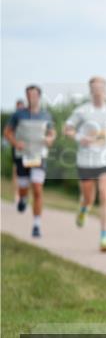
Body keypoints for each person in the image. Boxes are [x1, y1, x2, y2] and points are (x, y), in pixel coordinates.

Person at [63, 76, 106, 253]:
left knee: (105, 194)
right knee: (89, 197)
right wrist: (79, 138)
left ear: (105, 90)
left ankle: (104, 237)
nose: (98, 92)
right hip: (86, 160)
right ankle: (84, 208)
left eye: (101, 88)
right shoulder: (82, 111)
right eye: (95, 89)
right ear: (90, 91)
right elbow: (67, 129)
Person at [3, 86, 55, 238]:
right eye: (29, 95)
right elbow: (7, 132)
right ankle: (23, 198)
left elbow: (52, 132)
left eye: (34, 95)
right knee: (23, 187)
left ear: (39, 97)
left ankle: (36, 225)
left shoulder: (46, 115)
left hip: (39, 156)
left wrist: (50, 139)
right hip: (22, 156)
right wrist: (15, 143)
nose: (31, 98)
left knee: (37, 189)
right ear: (26, 97)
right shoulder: (18, 115)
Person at [8, 99, 26, 206]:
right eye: (18, 107)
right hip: (16, 149)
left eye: (21, 107)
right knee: (16, 172)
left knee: (27, 173)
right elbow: (8, 133)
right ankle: (16, 195)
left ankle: (23, 195)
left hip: (28, 150)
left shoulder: (27, 119)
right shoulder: (14, 120)